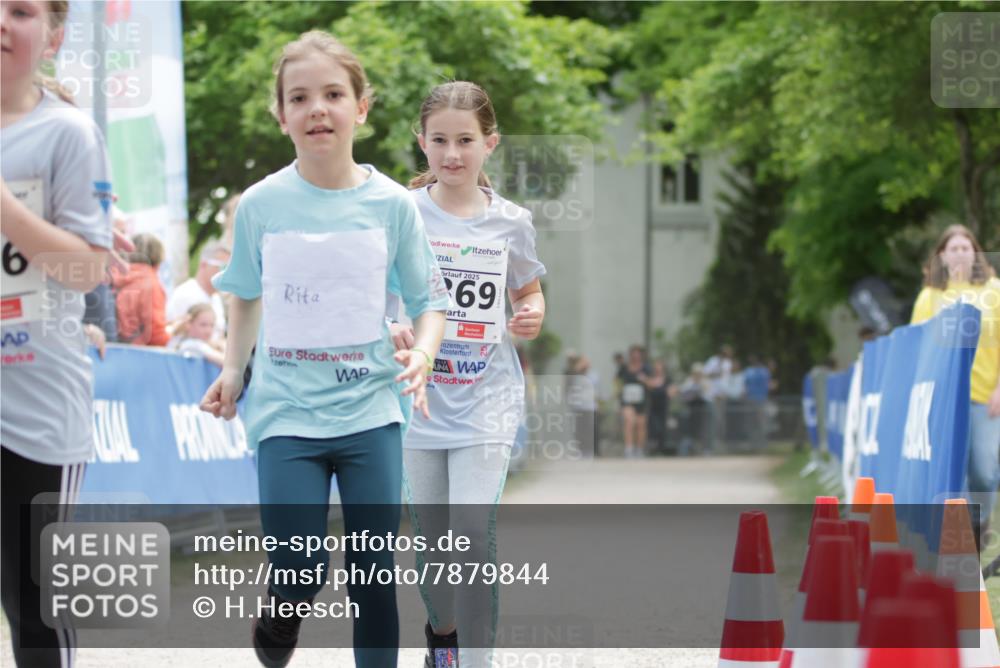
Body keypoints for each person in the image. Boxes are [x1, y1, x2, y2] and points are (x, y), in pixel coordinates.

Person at [199, 31, 448, 668]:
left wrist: (421, 353)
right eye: (300, 97)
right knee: (299, 563)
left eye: (334, 94)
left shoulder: (393, 204)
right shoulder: (260, 205)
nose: (318, 108)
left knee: (372, 576)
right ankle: (283, 617)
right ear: (280, 114)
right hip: (286, 416)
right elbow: (245, 294)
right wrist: (233, 370)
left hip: (371, 412)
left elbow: (429, 303)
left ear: (361, 108)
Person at [388, 81, 546, 668]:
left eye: (465, 140)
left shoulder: (512, 222)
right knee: (434, 547)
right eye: (439, 141)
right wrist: (388, 327)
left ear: (490, 144)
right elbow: (372, 288)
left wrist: (531, 313)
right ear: (421, 143)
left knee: (471, 534)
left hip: (487, 396)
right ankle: (444, 640)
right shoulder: (401, 212)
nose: (452, 154)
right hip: (419, 398)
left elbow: (528, 290)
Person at [1, 2, 113, 665]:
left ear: (54, 36)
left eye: (20, 10)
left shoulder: (67, 133)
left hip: (35, 409)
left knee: (35, 602)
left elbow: (86, 269)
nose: (2, 22)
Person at [911, 224, 1000, 543]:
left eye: (966, 247)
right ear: (942, 256)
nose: (961, 252)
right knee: (953, 472)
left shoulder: (994, 290)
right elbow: (917, 346)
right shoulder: (930, 296)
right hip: (944, 398)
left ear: (976, 253)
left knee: (984, 471)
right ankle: (962, 535)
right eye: (954, 248)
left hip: (983, 396)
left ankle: (982, 520)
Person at [111, 232, 169, 346]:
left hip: (107, 349)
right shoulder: (151, 283)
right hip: (137, 355)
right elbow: (155, 334)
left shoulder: (110, 276)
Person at [165, 239, 230, 339]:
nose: (226, 274)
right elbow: (174, 337)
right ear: (203, 264)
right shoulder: (185, 294)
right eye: (222, 267)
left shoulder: (216, 298)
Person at [618, 345, 650, 458]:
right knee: (629, 422)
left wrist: (644, 379)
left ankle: (639, 449)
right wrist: (619, 392)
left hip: (641, 400)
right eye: (633, 353)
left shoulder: (646, 368)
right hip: (627, 400)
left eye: (638, 353)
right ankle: (629, 449)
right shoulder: (624, 368)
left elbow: (651, 384)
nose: (635, 355)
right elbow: (617, 381)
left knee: (640, 425)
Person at [169, 303, 225, 367]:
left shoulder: (201, 344)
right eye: (203, 325)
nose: (208, 330)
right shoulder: (191, 344)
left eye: (212, 325)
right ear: (189, 324)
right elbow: (225, 362)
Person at [645, 358, 672, 455]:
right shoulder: (651, 378)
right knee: (653, 427)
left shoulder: (667, 379)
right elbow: (649, 386)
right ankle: (653, 448)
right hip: (653, 406)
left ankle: (661, 448)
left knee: (662, 428)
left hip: (663, 406)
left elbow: (671, 392)